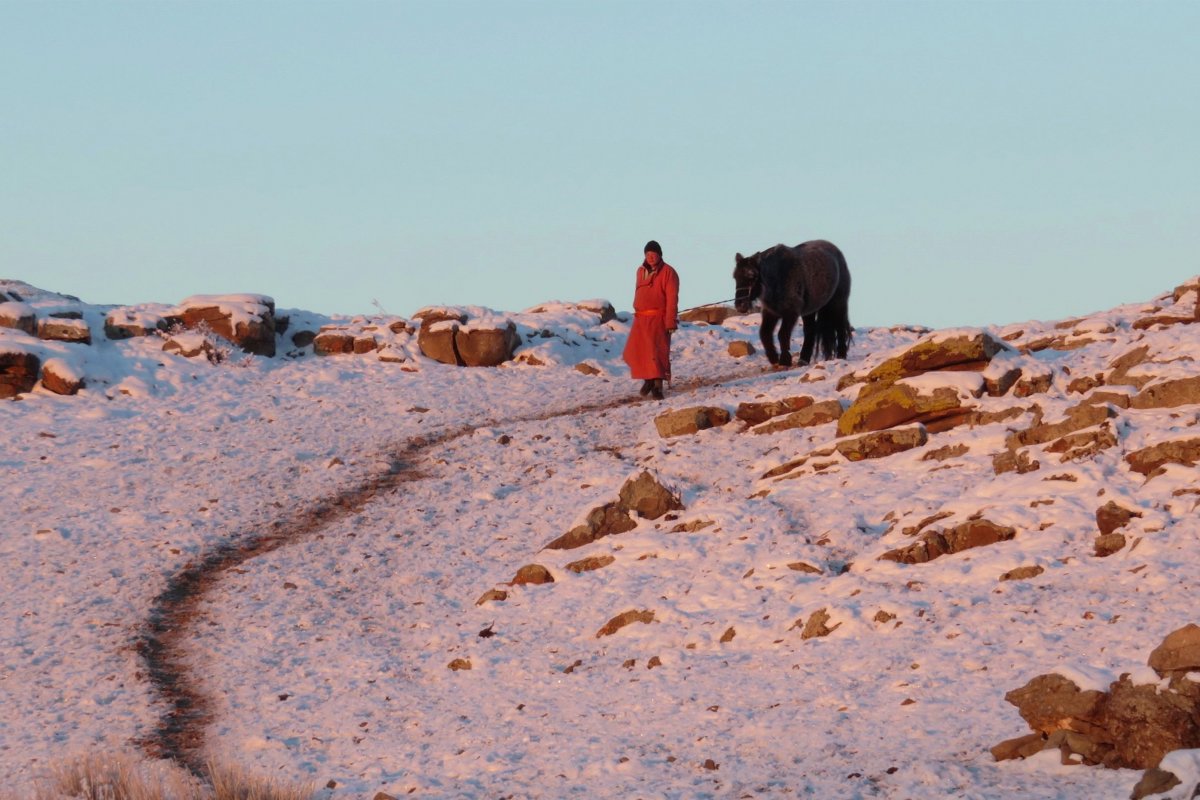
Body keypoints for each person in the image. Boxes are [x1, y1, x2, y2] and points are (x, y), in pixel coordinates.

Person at [622, 240, 679, 400]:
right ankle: (648, 379)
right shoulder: (640, 271)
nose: (650, 257)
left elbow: (672, 298)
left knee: (656, 352)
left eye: (653, 254)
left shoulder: (669, 272)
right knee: (636, 352)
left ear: (659, 255)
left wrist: (670, 320)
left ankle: (657, 387)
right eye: (648, 255)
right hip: (641, 318)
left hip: (658, 318)